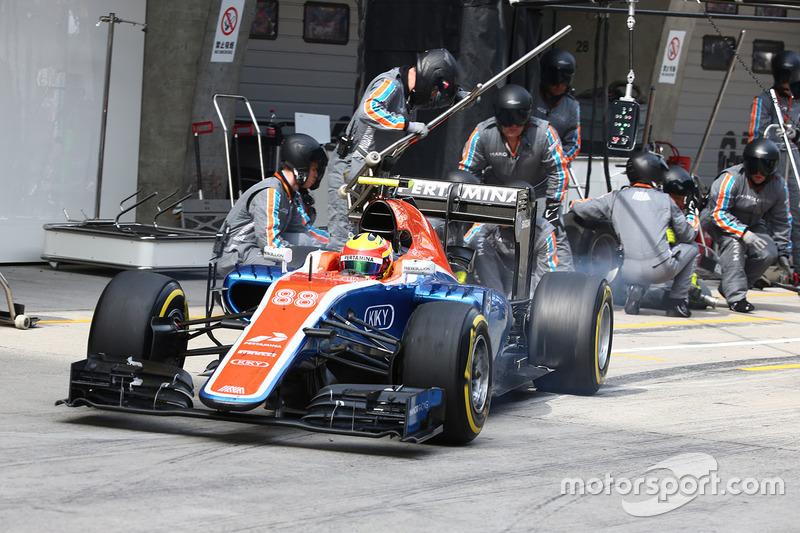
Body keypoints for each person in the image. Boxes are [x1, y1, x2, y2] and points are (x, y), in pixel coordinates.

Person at [325, 48, 461, 250]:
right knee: (343, 240)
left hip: (371, 174)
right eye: (434, 91)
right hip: (351, 170)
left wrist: (456, 97)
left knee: (368, 239)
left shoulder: (408, 95)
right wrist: (406, 125)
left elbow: (425, 103)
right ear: (430, 77)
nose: (432, 97)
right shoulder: (390, 84)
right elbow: (369, 109)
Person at [458, 83, 574, 270]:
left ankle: (565, 279)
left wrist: (553, 205)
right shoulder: (482, 133)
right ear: (497, 116)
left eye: (518, 119)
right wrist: (478, 202)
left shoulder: (544, 132)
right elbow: (468, 170)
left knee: (554, 229)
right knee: (474, 233)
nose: (512, 125)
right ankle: (471, 275)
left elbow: (559, 170)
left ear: (527, 116)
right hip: (499, 194)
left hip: (538, 193)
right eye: (506, 119)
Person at [570, 151, 699, 317]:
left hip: (627, 271)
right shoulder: (665, 200)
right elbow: (688, 235)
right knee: (693, 248)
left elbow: (582, 208)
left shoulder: (617, 197)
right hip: (660, 270)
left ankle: (635, 290)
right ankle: (677, 303)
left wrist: (573, 203)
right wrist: (691, 214)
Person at [216, 133, 330, 276]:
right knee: (299, 266)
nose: (316, 175)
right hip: (236, 253)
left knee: (309, 252)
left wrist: (336, 245)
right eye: (314, 169)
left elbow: (304, 232)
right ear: (301, 168)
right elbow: (269, 243)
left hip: (256, 250)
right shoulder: (271, 191)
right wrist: (301, 255)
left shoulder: (292, 194)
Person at [700, 138, 792, 313]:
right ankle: (736, 298)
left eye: (765, 166)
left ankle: (729, 286)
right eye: (754, 165)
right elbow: (718, 213)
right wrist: (743, 233)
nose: (759, 172)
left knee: (767, 253)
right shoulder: (730, 179)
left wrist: (782, 252)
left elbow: (781, 221)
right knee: (734, 244)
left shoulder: (779, 186)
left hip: (753, 224)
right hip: (718, 221)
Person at [747, 50, 800, 269]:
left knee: (795, 218)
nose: (787, 84)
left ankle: (795, 268)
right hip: (771, 170)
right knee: (766, 217)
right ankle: (763, 267)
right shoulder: (765, 100)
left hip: (796, 169)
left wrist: (795, 135)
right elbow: (755, 135)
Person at [533, 48, 581, 163]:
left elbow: (573, 144)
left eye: (565, 80)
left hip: (552, 164)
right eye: (555, 79)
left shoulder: (572, 106)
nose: (560, 85)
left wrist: (558, 161)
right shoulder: (531, 96)